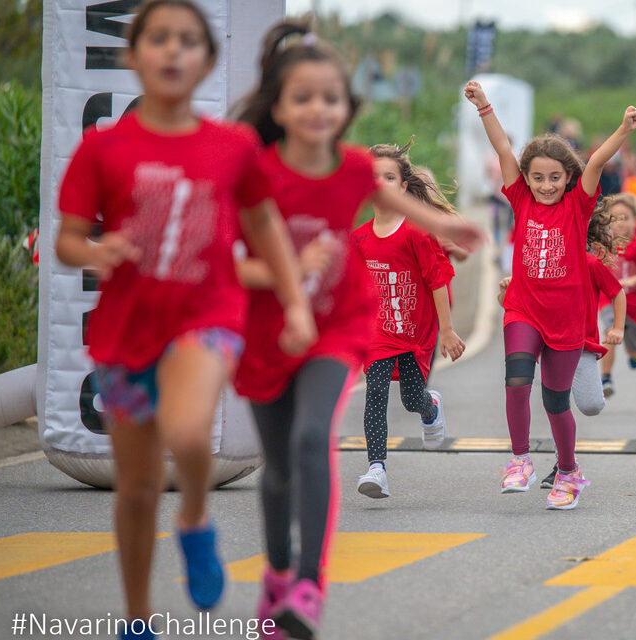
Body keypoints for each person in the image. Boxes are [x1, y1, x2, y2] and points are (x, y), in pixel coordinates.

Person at [54, 3, 318, 639]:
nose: (173, 52)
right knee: (138, 488)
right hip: (125, 333)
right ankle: (138, 618)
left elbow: (265, 229)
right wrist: (96, 251)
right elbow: (66, 241)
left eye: (188, 42)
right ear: (133, 54)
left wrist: (296, 303)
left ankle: (195, 517)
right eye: (159, 40)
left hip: (207, 318)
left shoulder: (230, 147)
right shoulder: (102, 150)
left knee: (191, 429)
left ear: (206, 60)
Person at [232, 23, 483, 640]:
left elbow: (403, 204)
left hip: (338, 327)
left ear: (346, 108)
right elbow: (227, 261)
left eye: (331, 98)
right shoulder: (253, 171)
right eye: (302, 97)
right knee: (279, 466)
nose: (318, 109)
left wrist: (454, 234)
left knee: (314, 435)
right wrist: (286, 274)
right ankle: (279, 573)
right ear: (278, 106)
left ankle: (310, 584)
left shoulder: (350, 166)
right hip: (267, 326)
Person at [465, 79, 636, 509]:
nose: (545, 185)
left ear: (569, 179)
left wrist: (623, 130)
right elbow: (504, 150)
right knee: (515, 382)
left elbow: (597, 162)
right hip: (523, 309)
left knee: (555, 400)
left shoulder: (576, 206)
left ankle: (568, 471)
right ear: (525, 179)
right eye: (537, 177)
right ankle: (520, 460)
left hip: (565, 321)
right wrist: (484, 106)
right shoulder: (520, 200)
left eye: (555, 178)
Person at [352, 142, 468, 500]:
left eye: (390, 177)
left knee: (411, 398)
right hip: (379, 334)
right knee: (375, 394)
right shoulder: (359, 238)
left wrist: (447, 331)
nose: (382, 184)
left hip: (417, 334)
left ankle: (430, 407)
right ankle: (377, 469)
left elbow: (437, 280)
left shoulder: (416, 233)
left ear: (403, 187)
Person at [497, 206, 626, 488]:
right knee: (555, 401)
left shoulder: (589, 263)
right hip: (544, 337)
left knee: (590, 405)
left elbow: (617, 293)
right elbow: (510, 302)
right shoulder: (540, 262)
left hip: (580, 343)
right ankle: (562, 463)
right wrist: (508, 291)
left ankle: (566, 461)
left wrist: (616, 328)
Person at [598, 193, 636, 398]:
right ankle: (606, 378)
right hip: (609, 301)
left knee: (630, 348)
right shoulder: (603, 245)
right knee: (609, 333)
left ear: (635, 220)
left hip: (633, 305)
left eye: (625, 218)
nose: (620, 223)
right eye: (614, 218)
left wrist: (630, 282)